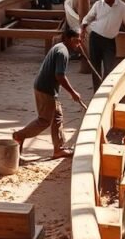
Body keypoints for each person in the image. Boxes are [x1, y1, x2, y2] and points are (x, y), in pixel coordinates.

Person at [13, 28, 86, 158]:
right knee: (44, 120)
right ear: (68, 39)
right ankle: (20, 135)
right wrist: (73, 92)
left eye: (80, 42)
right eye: (76, 41)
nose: (78, 44)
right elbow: (60, 76)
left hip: (44, 87)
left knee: (57, 117)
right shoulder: (63, 53)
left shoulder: (59, 47)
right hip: (46, 89)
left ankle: (59, 148)